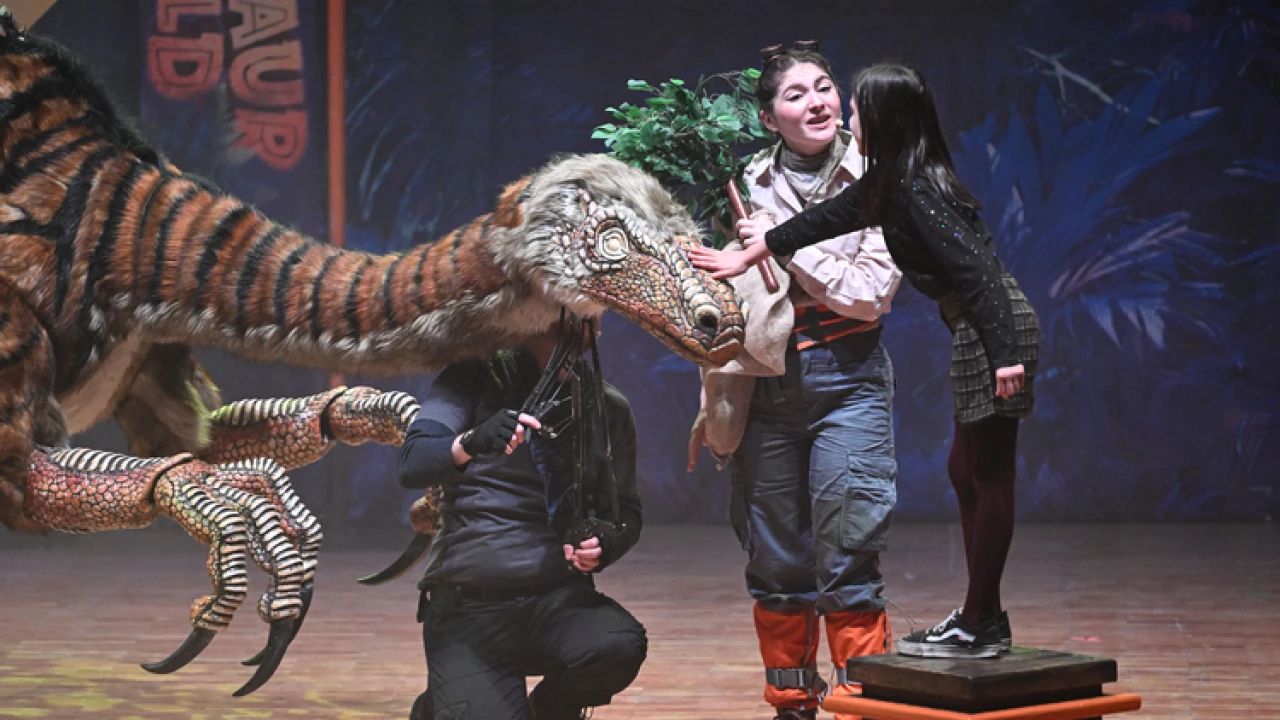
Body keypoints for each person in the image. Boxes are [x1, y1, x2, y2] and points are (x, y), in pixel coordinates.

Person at [690, 62, 1040, 660]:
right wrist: (753, 250)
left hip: (964, 337)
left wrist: (1005, 355)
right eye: (799, 94)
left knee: (973, 482)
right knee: (961, 473)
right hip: (798, 377)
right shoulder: (857, 181)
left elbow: (968, 275)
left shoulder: (905, 183)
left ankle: (971, 624)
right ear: (769, 117)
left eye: (838, 97)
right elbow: (823, 222)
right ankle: (977, 617)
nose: (832, 109)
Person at [688, 41, 902, 720]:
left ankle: (864, 705)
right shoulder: (743, 185)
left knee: (848, 550)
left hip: (850, 380)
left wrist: (782, 241)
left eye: (824, 87)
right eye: (795, 94)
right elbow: (729, 295)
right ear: (768, 116)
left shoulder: (878, 174)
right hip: (766, 387)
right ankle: (790, 702)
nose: (816, 103)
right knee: (777, 560)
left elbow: (869, 295)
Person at [399, 320, 647, 720]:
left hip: (555, 600)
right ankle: (443, 703)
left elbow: (626, 510)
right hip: (469, 607)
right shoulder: (474, 377)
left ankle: (548, 709)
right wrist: (469, 442)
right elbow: (414, 462)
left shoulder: (606, 404)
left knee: (616, 645)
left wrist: (606, 543)